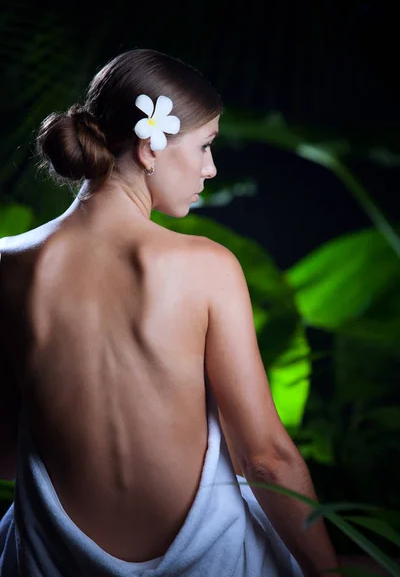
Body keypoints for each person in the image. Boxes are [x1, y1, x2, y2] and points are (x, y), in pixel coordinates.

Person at [0, 48, 339, 576]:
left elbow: (6, 448)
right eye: (204, 147)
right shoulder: (205, 267)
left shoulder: (8, 264)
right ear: (150, 148)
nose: (211, 168)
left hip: (53, 562)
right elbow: (266, 457)